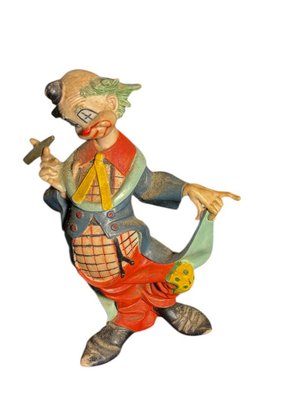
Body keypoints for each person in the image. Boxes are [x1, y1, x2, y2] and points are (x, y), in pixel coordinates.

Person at [32, 69, 240, 366]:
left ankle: (165, 305)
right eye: (74, 122)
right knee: (113, 287)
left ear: (112, 104)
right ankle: (127, 319)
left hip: (128, 245)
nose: (83, 127)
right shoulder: (76, 160)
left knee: (169, 272)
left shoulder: (129, 158)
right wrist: (58, 183)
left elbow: (150, 185)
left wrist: (187, 188)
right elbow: (64, 199)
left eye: (85, 114)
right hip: (87, 251)